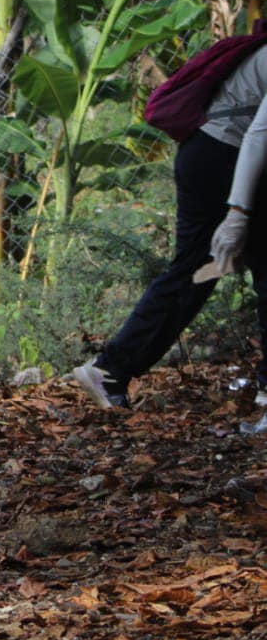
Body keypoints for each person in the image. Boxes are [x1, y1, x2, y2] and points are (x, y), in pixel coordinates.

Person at [73, 42, 267, 410]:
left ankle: (110, 370)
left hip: (209, 153)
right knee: (205, 270)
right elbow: (260, 134)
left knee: (195, 273)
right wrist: (238, 212)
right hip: (225, 157)